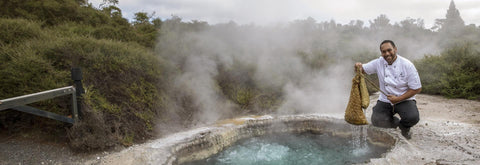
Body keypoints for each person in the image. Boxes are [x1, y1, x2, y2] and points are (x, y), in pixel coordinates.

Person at [355, 40, 422, 139]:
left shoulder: (407, 65)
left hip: (403, 99)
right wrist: (358, 66)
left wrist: (398, 99)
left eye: (389, 50)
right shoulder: (379, 62)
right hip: (385, 99)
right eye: (383, 52)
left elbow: (417, 88)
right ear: (381, 53)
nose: (387, 54)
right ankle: (395, 122)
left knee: (412, 118)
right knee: (376, 121)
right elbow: (362, 70)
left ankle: (404, 127)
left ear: (395, 49)